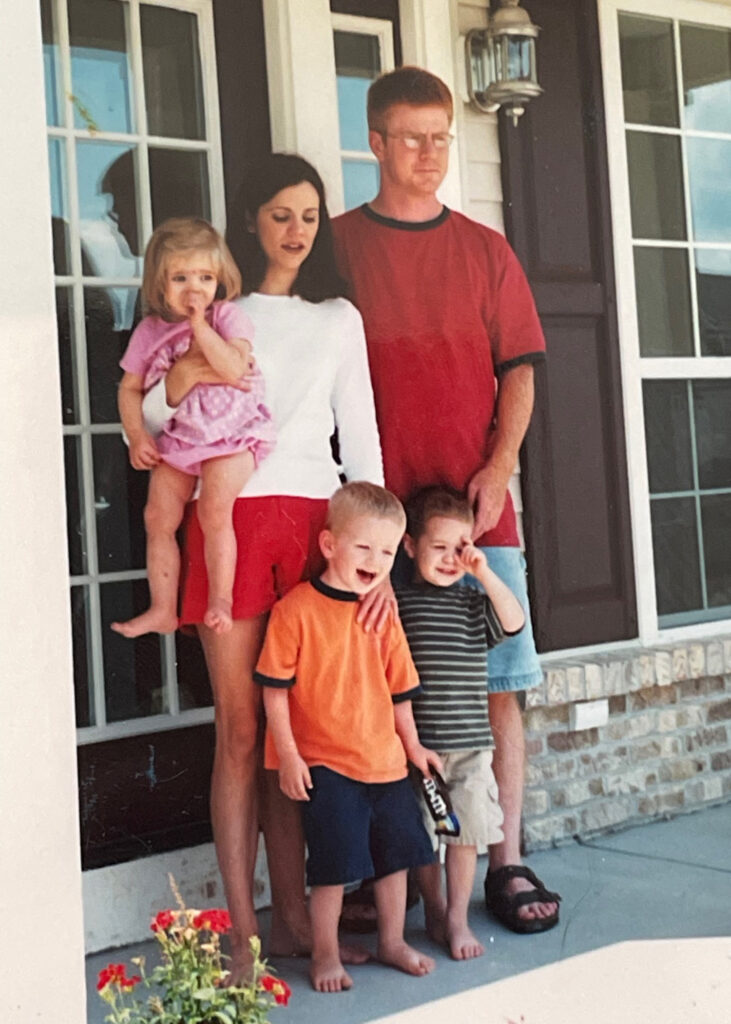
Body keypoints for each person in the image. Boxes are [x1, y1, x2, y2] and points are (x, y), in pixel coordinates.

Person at [142, 155, 383, 981]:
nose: (296, 229)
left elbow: (363, 437)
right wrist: (183, 372)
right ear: (251, 221)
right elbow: (149, 405)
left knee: (298, 737)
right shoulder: (217, 307)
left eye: (309, 215)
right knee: (243, 731)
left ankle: (290, 923)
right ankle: (244, 937)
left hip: (317, 526)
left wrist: (376, 563)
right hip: (232, 522)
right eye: (280, 213)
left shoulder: (337, 317)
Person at [332, 66, 561, 933]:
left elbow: (520, 373)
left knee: (496, 686)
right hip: (377, 521)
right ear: (376, 143)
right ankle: (396, 866)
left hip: (476, 513)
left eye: (441, 138)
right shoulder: (342, 244)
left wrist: (500, 465)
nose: (430, 154)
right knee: (376, 689)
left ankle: (503, 860)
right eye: (412, 137)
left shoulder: (483, 248)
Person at [256, 482, 440, 992]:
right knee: (333, 869)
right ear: (329, 545)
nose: (375, 560)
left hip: (385, 762)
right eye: (363, 547)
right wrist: (289, 757)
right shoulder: (295, 611)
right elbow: (274, 693)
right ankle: (326, 953)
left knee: (395, 859)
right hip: (327, 765)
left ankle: (394, 940)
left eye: (386, 552)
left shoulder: (382, 615)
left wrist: (415, 747)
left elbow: (400, 692)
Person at [114, 217, 275, 639]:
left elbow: (232, 366)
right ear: (159, 284)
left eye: (205, 277)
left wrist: (200, 327)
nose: (194, 288)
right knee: (157, 517)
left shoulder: (227, 317)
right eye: (180, 277)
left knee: (214, 509)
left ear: (219, 279)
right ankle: (164, 608)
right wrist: (137, 435)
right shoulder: (150, 332)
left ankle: (220, 598)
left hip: (232, 435)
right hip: (181, 438)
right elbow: (130, 388)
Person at [395, 486, 524, 959]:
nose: (451, 560)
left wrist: (484, 572)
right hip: (418, 749)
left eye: (460, 549)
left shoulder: (472, 605)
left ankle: (457, 919)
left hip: (469, 747)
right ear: (409, 546)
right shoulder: (400, 604)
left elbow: (513, 622)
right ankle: (433, 907)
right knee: (425, 837)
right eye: (439, 548)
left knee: (464, 834)